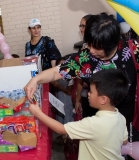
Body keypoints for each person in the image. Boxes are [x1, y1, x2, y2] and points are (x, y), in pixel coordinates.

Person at [24, 13, 139, 145]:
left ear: (111, 44)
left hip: (127, 112)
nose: (90, 50)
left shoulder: (132, 50)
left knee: (126, 145)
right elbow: (58, 71)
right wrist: (36, 79)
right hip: (95, 113)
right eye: (88, 44)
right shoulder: (86, 55)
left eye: (95, 47)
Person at [28, 69, 129, 160]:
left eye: (91, 92)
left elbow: (61, 129)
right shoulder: (120, 117)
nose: (88, 94)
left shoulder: (93, 123)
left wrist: (37, 112)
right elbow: (124, 141)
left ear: (103, 99)